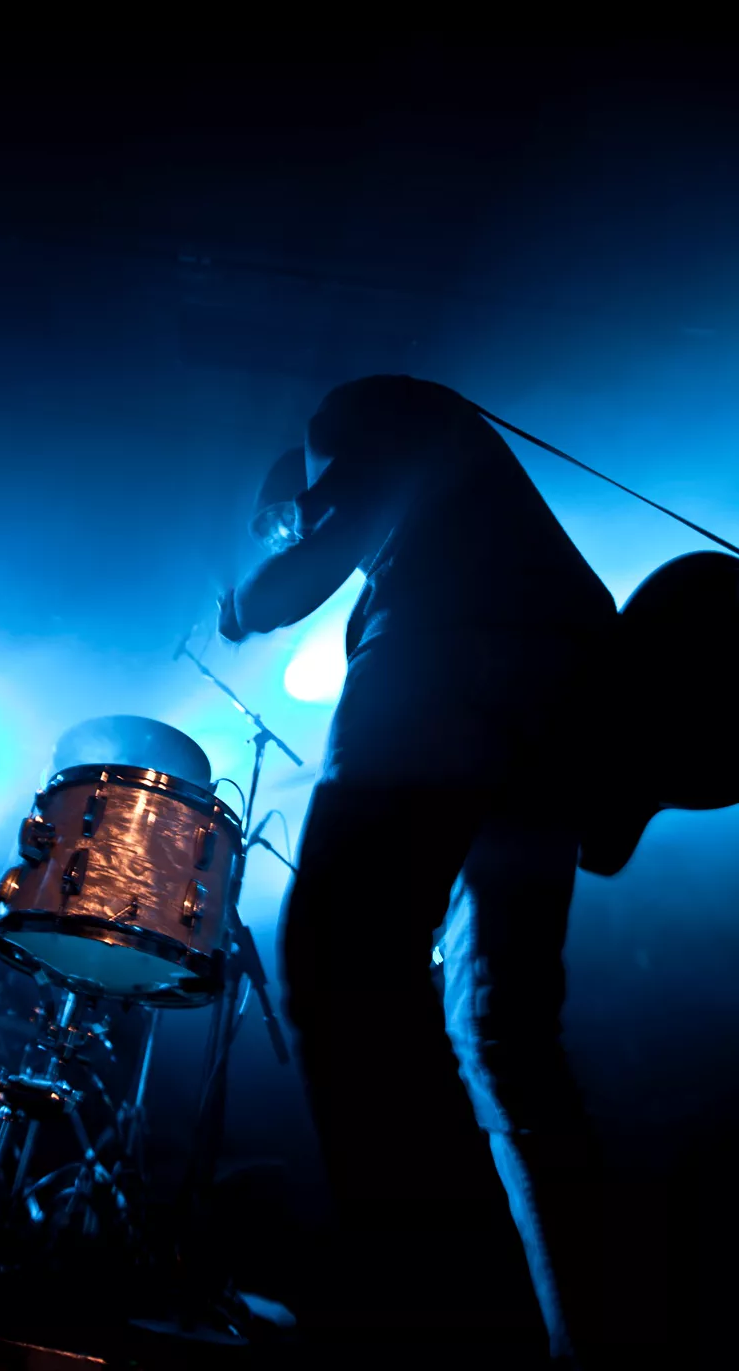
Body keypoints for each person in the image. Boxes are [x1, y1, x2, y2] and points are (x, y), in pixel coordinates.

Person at [217, 374, 618, 1367]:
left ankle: (450, 1331)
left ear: (297, 486)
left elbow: (294, 578)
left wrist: (244, 596)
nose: (295, 527)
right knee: (504, 1038)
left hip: (452, 656)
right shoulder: (470, 488)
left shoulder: (351, 415)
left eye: (286, 516)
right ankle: (584, 1337)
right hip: (569, 696)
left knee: (341, 964)